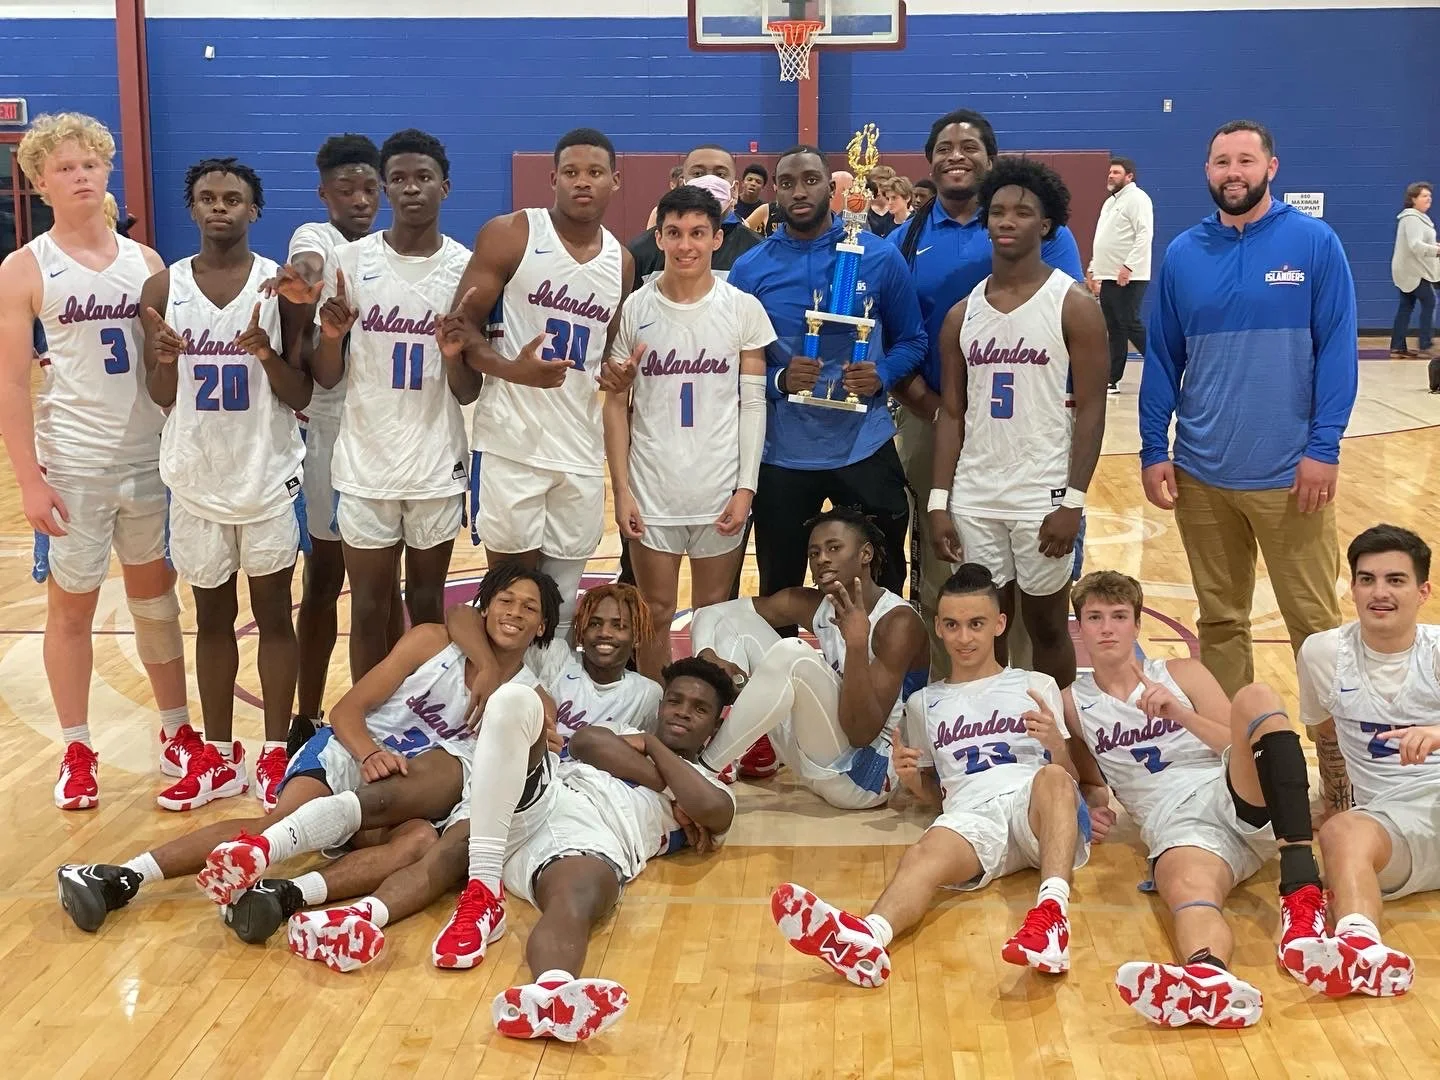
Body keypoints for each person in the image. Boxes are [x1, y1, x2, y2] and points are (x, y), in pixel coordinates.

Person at [54, 564, 561, 934]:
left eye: (529, 608)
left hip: (410, 795)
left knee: (417, 845)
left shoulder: (531, 702)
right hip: (352, 752)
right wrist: (367, 754)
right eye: (505, 600)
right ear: (485, 606)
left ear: (542, 628)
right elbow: (345, 711)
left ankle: (284, 897)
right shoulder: (432, 643)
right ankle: (119, 876)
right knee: (281, 820)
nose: (514, 612)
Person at [289, 658, 737, 1046]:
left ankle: (551, 993)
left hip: (596, 839)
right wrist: (663, 760)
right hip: (547, 798)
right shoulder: (626, 734)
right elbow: (588, 743)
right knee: (457, 840)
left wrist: (660, 760)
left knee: (579, 897)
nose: (682, 713)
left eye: (699, 710)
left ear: (716, 724)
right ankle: (360, 918)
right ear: (660, 706)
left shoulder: (715, 785)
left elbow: (711, 809)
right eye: (675, 701)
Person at [1139, 119, 1358, 814]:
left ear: (1271, 165)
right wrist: (1153, 447)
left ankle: (1337, 763)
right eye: (1221, 161)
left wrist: (1323, 447)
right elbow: (1161, 359)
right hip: (1203, 474)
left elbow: (1340, 351)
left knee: (1316, 631)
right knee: (1222, 624)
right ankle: (1243, 758)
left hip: (1291, 475)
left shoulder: (1314, 244)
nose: (1233, 171)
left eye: (1245, 159)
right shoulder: (1182, 253)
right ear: (1207, 172)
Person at [770, 564, 1089, 985]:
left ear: (1000, 623)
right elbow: (938, 796)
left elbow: (1070, 785)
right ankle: (869, 938)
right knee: (923, 852)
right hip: (971, 816)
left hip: (1033, 807)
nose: (964, 637)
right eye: (953, 625)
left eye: (976, 624)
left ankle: (1051, 917)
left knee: (1051, 777)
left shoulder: (1035, 683)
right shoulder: (922, 703)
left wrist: (1056, 746)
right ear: (938, 627)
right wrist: (913, 781)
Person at [0, 112, 191, 810]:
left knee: (155, 603)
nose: (81, 176)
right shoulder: (24, 268)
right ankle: (78, 748)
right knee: (71, 612)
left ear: (107, 173)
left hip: (148, 459)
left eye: (91, 165)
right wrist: (28, 479)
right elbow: (12, 382)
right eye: (66, 168)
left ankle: (178, 732)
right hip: (73, 465)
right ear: (42, 181)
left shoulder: (147, 265)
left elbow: (171, 367)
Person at [1065, 570, 1326, 1028]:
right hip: (1175, 825)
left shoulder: (1181, 672)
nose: (1107, 628)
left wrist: (1180, 712)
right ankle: (1209, 978)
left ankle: (1301, 886)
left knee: (1258, 696)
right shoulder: (1072, 701)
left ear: (1137, 625)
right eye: (1095, 617)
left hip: (1230, 788)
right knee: (1187, 893)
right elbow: (1092, 781)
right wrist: (1089, 806)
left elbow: (1238, 740)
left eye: (1119, 616)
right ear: (1080, 627)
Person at [138, 158, 311, 811]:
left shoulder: (281, 287)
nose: (219, 208)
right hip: (195, 476)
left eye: (232, 198)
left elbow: (303, 390)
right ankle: (216, 755)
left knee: (272, 616)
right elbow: (161, 396)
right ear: (192, 208)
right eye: (207, 197)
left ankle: (272, 753)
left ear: (254, 209)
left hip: (264, 474)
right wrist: (163, 361)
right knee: (210, 617)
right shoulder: (162, 289)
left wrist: (265, 354)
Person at [889, 109, 1086, 680]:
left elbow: (1067, 333)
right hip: (937, 419)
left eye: (970, 145)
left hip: (1028, 431)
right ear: (928, 162)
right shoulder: (904, 239)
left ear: (991, 159)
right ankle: (954, 691)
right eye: (944, 146)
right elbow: (896, 335)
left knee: (1032, 582)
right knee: (945, 565)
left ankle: (1028, 699)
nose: (957, 154)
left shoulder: (1042, 233)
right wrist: (933, 407)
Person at [928, 157, 1108, 691]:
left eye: (1022, 212)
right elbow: (952, 413)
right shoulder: (962, 315)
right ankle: (998, 726)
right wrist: (940, 502)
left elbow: (1094, 408)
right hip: (976, 492)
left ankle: (1062, 738)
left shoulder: (1073, 303)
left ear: (1046, 224)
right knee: (988, 627)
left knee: (1048, 624)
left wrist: (1072, 502)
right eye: (998, 211)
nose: (1007, 220)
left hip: (1042, 492)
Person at [456, 127, 637, 644]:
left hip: (578, 450)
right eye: (573, 172)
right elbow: (458, 328)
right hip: (512, 444)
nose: (583, 183)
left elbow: (603, 360)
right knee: (509, 596)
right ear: (553, 178)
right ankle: (498, 705)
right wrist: (513, 369)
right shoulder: (512, 233)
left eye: (595, 173)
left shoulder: (620, 262)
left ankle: (547, 709)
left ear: (615, 182)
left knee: (558, 602)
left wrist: (616, 377)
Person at [310, 128, 477, 681]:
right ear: (385, 188)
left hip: (436, 462)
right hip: (365, 464)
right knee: (368, 608)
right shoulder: (349, 261)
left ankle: (427, 718)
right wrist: (331, 339)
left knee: (428, 607)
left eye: (423, 178)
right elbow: (326, 379)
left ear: (445, 188)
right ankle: (369, 725)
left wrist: (454, 355)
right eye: (399, 179)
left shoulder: (466, 269)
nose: (411, 189)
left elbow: (468, 389)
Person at [727, 145, 927, 605]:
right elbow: (732, 361)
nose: (800, 191)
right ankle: (791, 677)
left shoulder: (875, 257)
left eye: (811, 180)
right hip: (781, 457)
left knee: (882, 593)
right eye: (788, 182)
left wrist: (881, 374)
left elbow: (913, 339)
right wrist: (779, 378)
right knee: (781, 595)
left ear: (831, 187)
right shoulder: (750, 269)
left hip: (864, 447)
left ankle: (874, 677)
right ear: (775, 191)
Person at [605, 184, 774, 677]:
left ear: (717, 239)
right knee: (653, 614)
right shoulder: (636, 308)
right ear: (657, 237)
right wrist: (621, 491)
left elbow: (753, 405)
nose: (686, 245)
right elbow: (615, 405)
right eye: (674, 233)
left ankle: (706, 729)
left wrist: (746, 488)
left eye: (698, 233)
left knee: (713, 619)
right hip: (653, 488)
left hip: (720, 487)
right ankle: (659, 721)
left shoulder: (742, 308)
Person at [263, 134, 385, 752]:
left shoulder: (393, 252)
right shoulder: (318, 239)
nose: (361, 200)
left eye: (370, 188)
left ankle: (384, 708)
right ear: (324, 194)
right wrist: (304, 283)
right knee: (325, 576)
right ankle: (306, 713)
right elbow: (308, 263)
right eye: (347, 189)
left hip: (388, 432)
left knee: (382, 588)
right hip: (330, 432)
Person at [689, 507, 928, 808]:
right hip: (818, 756)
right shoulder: (816, 604)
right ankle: (740, 750)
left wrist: (855, 645)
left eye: (834, 548)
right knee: (735, 625)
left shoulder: (897, 623)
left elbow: (861, 734)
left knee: (794, 654)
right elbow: (710, 615)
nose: (822, 559)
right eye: (814, 553)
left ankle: (705, 769)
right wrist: (709, 658)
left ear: (865, 554)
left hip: (867, 776)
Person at [1289, 524, 1440, 999]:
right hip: (1394, 826)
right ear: (1351, 588)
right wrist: (1334, 800)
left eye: (1395, 580)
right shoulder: (1323, 653)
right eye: (1367, 579)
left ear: (1423, 591)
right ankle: (1359, 947)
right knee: (1341, 830)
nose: (1380, 592)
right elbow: (1325, 735)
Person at [629, 147, 763, 285]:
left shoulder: (758, 251)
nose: (710, 181)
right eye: (698, 173)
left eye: (720, 174)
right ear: (683, 184)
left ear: (734, 189)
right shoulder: (641, 251)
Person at [1085, 156, 1153, 393]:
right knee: (1114, 327)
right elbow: (1103, 238)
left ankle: (1160, 369)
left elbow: (1144, 234)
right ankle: (1112, 378)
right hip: (1109, 274)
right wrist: (1094, 268)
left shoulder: (1138, 199)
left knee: (1130, 323)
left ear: (1129, 176)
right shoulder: (1110, 203)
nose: (1110, 176)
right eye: (1110, 172)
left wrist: (1129, 266)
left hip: (1129, 276)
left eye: (1116, 172)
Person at [1389, 181, 1438, 362]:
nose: (1429, 199)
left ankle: (1397, 347)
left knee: (1406, 307)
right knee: (1430, 301)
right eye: (1424, 196)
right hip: (1414, 271)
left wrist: (1434, 246)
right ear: (1413, 199)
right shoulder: (1411, 218)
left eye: (1429, 196)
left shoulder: (1416, 218)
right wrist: (1437, 250)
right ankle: (1425, 345)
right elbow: (1415, 246)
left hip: (1410, 270)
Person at [643, 164, 688, 230]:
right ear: (672, 185)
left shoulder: (699, 210)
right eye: (680, 184)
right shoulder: (658, 211)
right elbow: (648, 238)